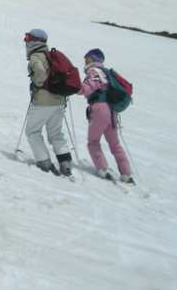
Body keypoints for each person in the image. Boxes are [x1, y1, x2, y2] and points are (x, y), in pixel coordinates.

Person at [80, 48, 134, 183]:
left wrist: (73, 87)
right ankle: (126, 173)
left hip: (99, 109)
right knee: (115, 144)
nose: (85, 61)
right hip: (112, 111)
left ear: (92, 59)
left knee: (93, 141)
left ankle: (102, 169)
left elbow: (87, 88)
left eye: (87, 58)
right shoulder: (107, 73)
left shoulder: (94, 72)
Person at [23, 29, 73, 176]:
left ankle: (44, 162)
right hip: (59, 101)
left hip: (44, 101)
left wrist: (38, 84)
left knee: (32, 131)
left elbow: (39, 72)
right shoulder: (51, 56)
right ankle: (66, 163)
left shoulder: (36, 56)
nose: (26, 41)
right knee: (56, 133)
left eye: (28, 38)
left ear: (35, 41)